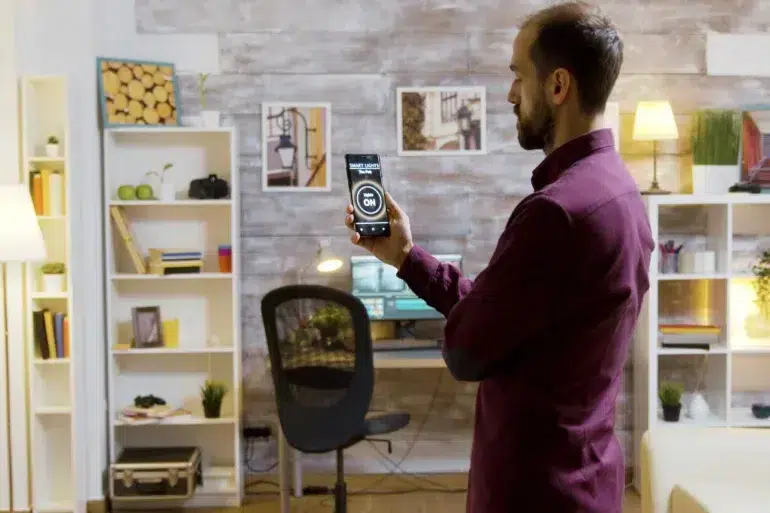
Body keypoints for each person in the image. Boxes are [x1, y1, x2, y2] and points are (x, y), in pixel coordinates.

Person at [344, 1, 655, 512]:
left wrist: (463, 327)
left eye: (517, 76)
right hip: (588, 476)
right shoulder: (620, 190)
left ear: (558, 86)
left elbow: (467, 350)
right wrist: (405, 256)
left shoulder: (555, 213)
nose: (510, 94)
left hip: (535, 490)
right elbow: (505, 316)